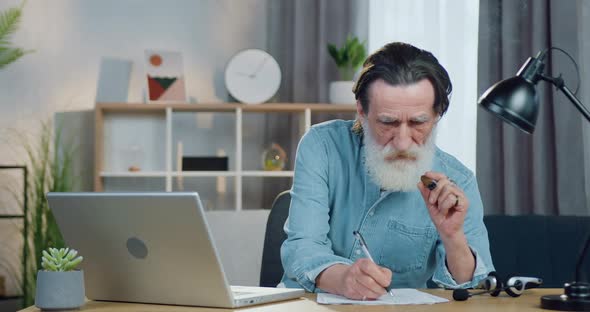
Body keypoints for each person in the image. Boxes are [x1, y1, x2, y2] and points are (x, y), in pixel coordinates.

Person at [279, 42, 495, 300]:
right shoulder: (321, 146)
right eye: (387, 123)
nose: (403, 142)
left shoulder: (459, 180)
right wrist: (344, 279)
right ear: (361, 110)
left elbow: (474, 289)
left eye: (418, 123)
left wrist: (453, 237)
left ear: (437, 115)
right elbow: (302, 248)